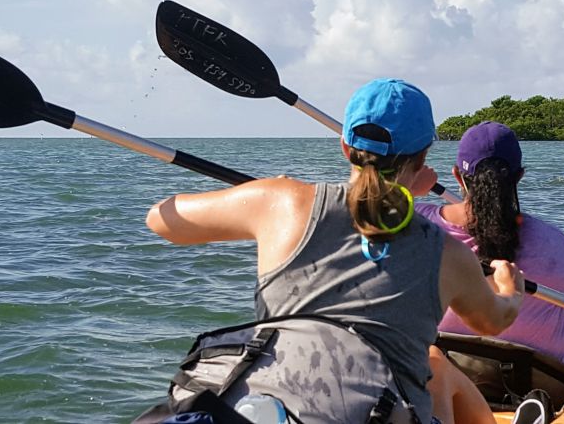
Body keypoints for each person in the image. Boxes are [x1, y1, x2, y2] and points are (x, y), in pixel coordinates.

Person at [145, 79, 525, 424]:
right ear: (424, 159)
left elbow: (161, 220)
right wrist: (510, 288)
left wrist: (263, 193)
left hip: (264, 405)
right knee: (437, 370)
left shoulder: (280, 201)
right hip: (379, 411)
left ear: (345, 147)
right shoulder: (449, 254)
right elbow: (493, 321)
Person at [414, 121, 564, 422]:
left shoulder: (413, 226)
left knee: (431, 362)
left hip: (444, 374)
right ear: (519, 177)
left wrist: (406, 187)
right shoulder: (558, 245)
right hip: (543, 382)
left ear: (457, 175)